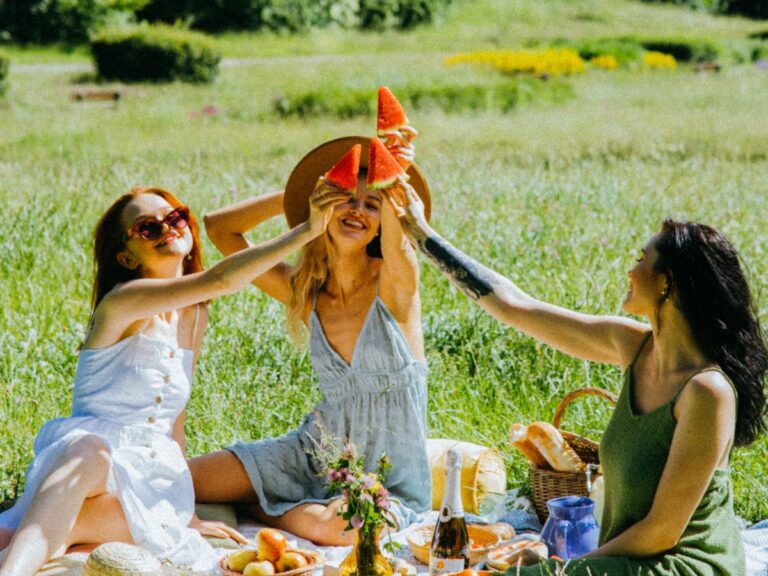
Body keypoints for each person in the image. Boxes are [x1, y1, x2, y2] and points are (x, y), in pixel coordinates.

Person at [392, 184, 766, 576]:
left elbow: (662, 532)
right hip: (626, 558)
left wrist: (564, 566)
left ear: (667, 283)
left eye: (641, 260)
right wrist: (422, 235)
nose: (629, 270)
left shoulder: (707, 391)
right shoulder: (632, 345)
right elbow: (514, 306)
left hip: (685, 566)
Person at [0, 184, 344, 576]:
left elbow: (174, 421)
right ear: (126, 257)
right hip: (87, 464)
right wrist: (306, 230)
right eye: (149, 228)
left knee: (71, 525)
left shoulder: (194, 314)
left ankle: (24, 545)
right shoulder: (123, 301)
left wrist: (186, 512)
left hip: (148, 478)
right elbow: (220, 280)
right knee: (90, 451)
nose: (169, 229)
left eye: (176, 217)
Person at [189, 136, 433, 546]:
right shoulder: (306, 292)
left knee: (348, 528)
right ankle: (287, 499)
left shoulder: (394, 283)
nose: (356, 210)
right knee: (184, 478)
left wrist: (394, 179)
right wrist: (305, 194)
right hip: (311, 454)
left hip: (387, 477)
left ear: (383, 219)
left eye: (371, 204)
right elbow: (220, 227)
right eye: (345, 199)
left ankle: (263, 507)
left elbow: (400, 238)